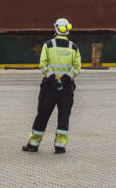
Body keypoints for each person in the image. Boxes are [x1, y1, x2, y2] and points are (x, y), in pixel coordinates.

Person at [22, 18, 81, 154]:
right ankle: (60, 146)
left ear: (55, 28)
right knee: (64, 116)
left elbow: (43, 64)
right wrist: (67, 77)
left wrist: (52, 77)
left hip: (50, 87)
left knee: (42, 114)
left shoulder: (48, 45)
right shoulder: (74, 47)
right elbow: (77, 67)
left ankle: (33, 144)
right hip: (67, 87)